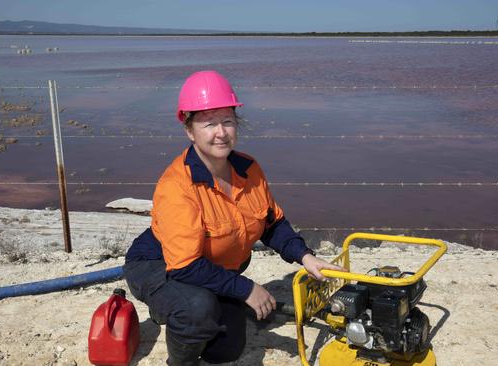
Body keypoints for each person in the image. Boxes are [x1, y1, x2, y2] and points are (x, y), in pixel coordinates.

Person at [123, 70, 342, 365]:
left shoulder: (248, 168)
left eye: (227, 121)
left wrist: (305, 256)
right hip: (158, 265)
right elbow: (185, 265)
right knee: (196, 310)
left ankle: (192, 308)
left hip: (208, 267)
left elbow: (272, 223)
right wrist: (247, 288)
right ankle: (178, 349)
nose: (220, 132)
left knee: (225, 350)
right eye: (208, 123)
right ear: (189, 130)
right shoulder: (177, 185)